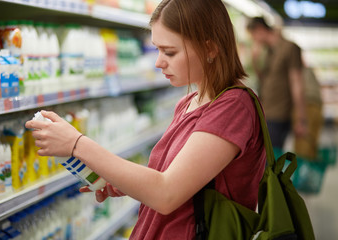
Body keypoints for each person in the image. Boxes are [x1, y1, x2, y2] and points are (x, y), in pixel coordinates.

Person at [25, 0, 266, 239]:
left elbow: (166, 193)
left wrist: (77, 144)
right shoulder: (188, 102)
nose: (158, 62)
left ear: (210, 48)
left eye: (169, 52)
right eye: (157, 49)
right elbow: (173, 178)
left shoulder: (234, 107)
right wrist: (124, 181)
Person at [246, 17, 307, 151]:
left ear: (260, 30)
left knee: (272, 158)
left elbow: (296, 83)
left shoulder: (289, 48)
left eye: (253, 36)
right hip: (267, 111)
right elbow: (264, 80)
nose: (253, 40)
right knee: (265, 156)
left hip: (279, 113)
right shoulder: (268, 52)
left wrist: (301, 118)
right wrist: (255, 60)